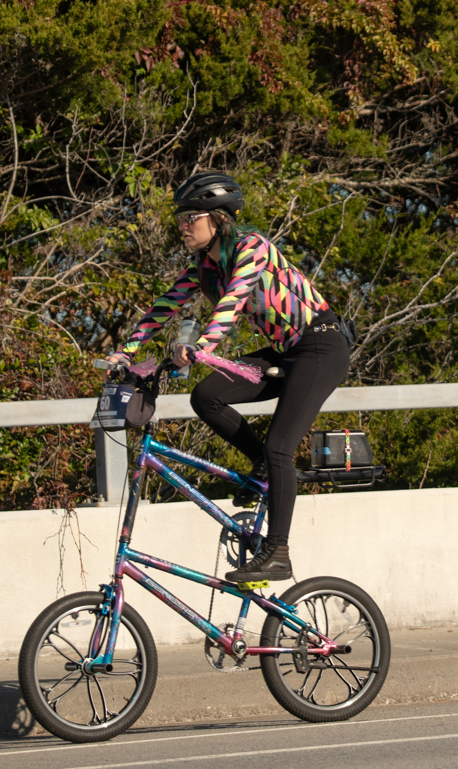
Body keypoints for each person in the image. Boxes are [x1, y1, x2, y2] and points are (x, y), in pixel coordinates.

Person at [105, 171, 351, 582]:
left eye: (191, 218)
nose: (183, 226)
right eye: (180, 219)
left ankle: (278, 552)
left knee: (280, 447)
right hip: (285, 351)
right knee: (207, 396)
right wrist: (126, 351)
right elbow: (165, 305)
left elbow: (234, 300)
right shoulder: (204, 265)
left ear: (218, 218)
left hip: (321, 345)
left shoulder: (252, 248)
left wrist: (204, 345)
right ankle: (261, 466)